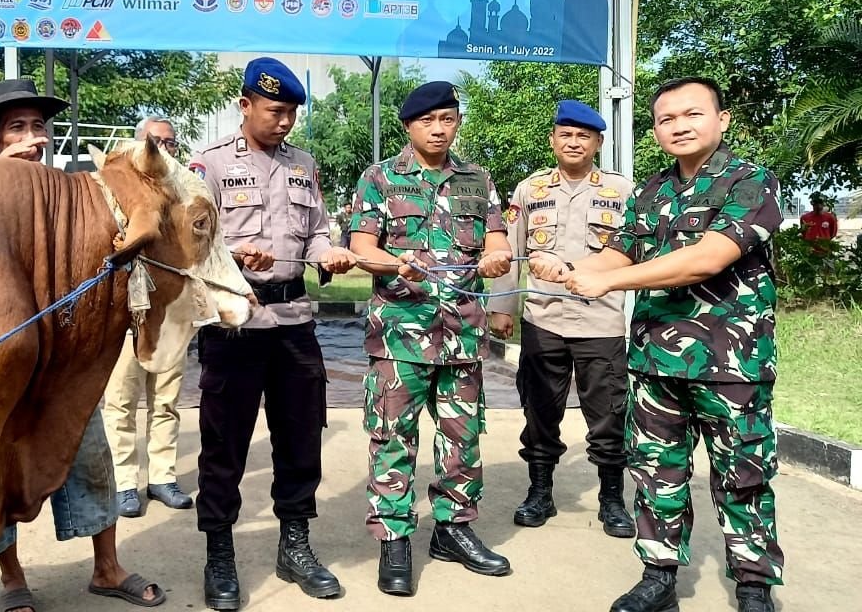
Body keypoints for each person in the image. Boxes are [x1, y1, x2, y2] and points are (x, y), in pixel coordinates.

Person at [530, 77, 783, 612]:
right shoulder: (652, 190)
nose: (680, 126)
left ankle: (754, 585)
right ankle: (659, 575)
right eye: (667, 119)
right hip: (655, 360)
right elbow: (620, 253)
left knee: (743, 477)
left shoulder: (749, 182)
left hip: (729, 364)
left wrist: (607, 282)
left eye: (693, 114)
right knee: (657, 473)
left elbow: (708, 258)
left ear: (723, 120)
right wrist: (571, 267)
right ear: (656, 130)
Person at [0, 78, 166, 612]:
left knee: (92, 455)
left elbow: (130, 216)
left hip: (66, 358)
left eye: (38, 127)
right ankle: (12, 580)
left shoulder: (71, 190)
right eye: (16, 128)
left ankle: (107, 567)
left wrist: (135, 232)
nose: (32, 137)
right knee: (0, 470)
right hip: (0, 361)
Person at [189, 57, 355, 610]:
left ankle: (296, 546)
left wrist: (328, 251)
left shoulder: (303, 165)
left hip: (295, 324)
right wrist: (233, 255)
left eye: (291, 114)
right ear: (245, 106)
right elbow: (188, 246)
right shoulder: (209, 167)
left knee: (301, 437)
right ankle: (219, 553)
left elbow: (316, 232)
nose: (285, 123)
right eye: (275, 111)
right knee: (224, 445)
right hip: (235, 325)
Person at [348, 80, 515, 595]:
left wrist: (496, 254)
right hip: (400, 335)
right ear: (408, 126)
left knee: (462, 440)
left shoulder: (477, 179)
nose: (439, 129)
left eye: (448, 118)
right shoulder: (380, 178)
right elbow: (360, 247)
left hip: (462, 332)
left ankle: (454, 530)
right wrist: (398, 264)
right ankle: (394, 538)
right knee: (392, 439)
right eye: (428, 121)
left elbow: (496, 238)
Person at [487, 100, 635, 538]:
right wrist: (501, 308)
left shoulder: (622, 191)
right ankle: (539, 492)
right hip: (543, 318)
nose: (574, 142)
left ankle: (612, 499)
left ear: (598, 143)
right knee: (539, 411)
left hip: (600, 322)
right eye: (565, 134)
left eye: (583, 136)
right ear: (553, 139)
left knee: (608, 414)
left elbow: (634, 254)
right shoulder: (529, 190)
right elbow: (509, 252)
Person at [102, 115, 194, 517]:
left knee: (167, 400)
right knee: (121, 401)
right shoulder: (113, 189)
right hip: (127, 310)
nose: (164, 150)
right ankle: (124, 482)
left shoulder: (185, 191)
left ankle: (162, 477)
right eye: (156, 142)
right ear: (139, 148)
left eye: (170, 143)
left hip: (171, 311)